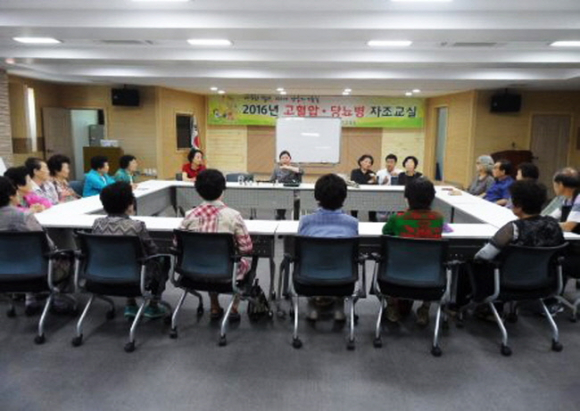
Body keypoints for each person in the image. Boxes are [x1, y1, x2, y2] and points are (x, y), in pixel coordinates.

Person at [470, 181, 565, 318]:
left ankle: (462, 306)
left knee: (469, 264)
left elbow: (484, 255)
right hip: (543, 282)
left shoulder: (513, 228)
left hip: (506, 282)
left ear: (519, 206)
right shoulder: (554, 225)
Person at [179, 169, 253, 321]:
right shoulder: (233, 216)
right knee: (238, 261)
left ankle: (214, 305)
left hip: (193, 272)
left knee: (208, 256)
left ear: (198, 192)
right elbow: (246, 248)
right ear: (222, 190)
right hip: (226, 274)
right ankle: (233, 308)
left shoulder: (189, 215)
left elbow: (177, 244)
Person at [91, 182, 168, 319]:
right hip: (134, 277)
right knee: (163, 260)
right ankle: (153, 306)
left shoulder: (97, 224)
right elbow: (153, 252)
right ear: (130, 204)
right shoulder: (136, 226)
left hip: (101, 275)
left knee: (123, 257)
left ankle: (131, 304)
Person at [0, 176, 73, 315]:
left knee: (21, 255)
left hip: (3, 271)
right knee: (66, 256)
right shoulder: (23, 217)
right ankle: (57, 298)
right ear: (11, 195)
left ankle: (30, 298)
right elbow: (48, 246)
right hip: (36, 270)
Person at [382, 177, 443, 326]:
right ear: (432, 198)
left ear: (407, 198)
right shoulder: (438, 219)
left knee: (384, 258)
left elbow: (386, 233)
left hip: (398, 273)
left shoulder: (397, 218)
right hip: (430, 275)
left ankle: (392, 307)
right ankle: (424, 309)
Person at [298, 174, 358, 322]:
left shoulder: (305, 221)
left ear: (317, 197)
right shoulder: (352, 223)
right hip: (344, 282)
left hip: (308, 281)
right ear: (344, 197)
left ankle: (312, 304)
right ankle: (339, 305)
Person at [270, 150, 304, 220]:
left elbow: (302, 171)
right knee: (280, 200)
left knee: (296, 202)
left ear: (290, 159)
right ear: (280, 160)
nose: (285, 159)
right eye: (282, 158)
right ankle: (281, 217)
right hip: (282, 193)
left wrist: (288, 167)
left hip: (294, 193)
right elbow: (271, 180)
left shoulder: (295, 167)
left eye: (286, 158)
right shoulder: (277, 169)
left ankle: (296, 219)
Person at [549, 167, 580, 234]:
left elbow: (568, 226)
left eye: (554, 184)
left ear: (560, 185)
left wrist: (545, 225)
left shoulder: (578, 199)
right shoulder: (566, 199)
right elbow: (551, 217)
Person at [350, 154, 377, 222]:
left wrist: (373, 181)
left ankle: (372, 220)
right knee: (354, 207)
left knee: (373, 203)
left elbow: (375, 184)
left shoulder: (372, 173)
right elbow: (355, 183)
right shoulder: (355, 172)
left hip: (369, 195)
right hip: (357, 194)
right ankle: (353, 221)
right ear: (361, 162)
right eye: (366, 161)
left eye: (370, 162)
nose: (368, 164)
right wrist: (368, 182)